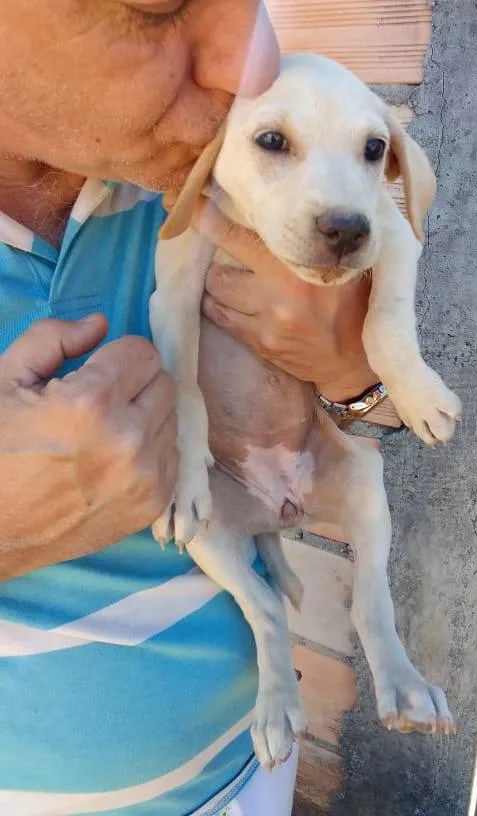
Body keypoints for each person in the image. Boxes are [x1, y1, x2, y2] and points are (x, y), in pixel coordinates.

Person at [0, 2, 378, 814]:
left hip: (246, 775)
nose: (254, 58)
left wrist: (352, 378)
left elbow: (310, 435)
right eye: (158, 5)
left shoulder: (228, 179)